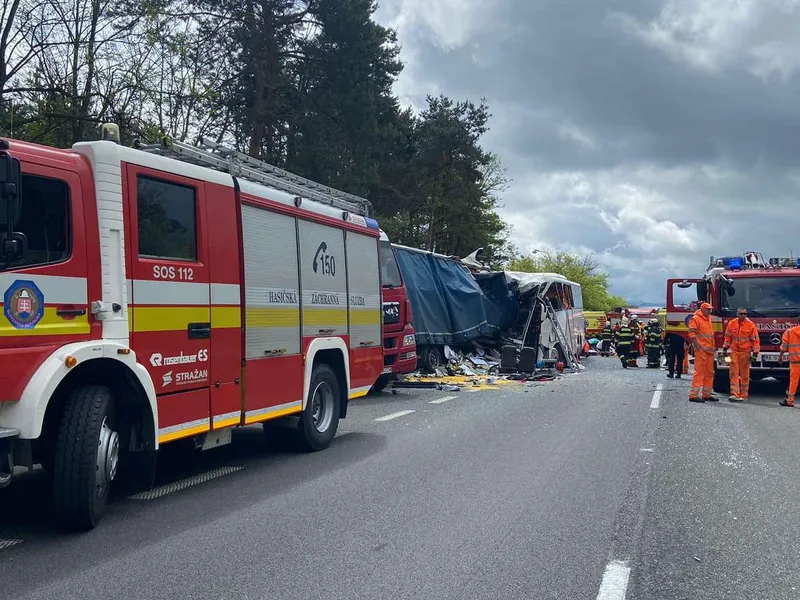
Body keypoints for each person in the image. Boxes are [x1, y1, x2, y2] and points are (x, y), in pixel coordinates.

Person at [722, 308, 760, 402]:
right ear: (737, 314)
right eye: (741, 314)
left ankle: (743, 395)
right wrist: (725, 348)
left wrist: (755, 353)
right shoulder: (732, 323)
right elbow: (728, 336)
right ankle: (735, 394)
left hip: (745, 353)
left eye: (745, 314)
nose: (743, 315)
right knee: (733, 373)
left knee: (745, 375)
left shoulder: (751, 325)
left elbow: (755, 340)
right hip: (734, 351)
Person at [688, 302, 717, 403]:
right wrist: (698, 347)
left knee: (709, 373)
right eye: (708, 309)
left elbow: (710, 335)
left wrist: (713, 347)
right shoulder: (696, 318)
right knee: (699, 372)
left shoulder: (708, 319)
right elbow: (692, 334)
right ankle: (693, 395)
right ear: (703, 309)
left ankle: (706, 394)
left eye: (710, 309)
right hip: (701, 350)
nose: (710, 311)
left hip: (709, 350)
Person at [778, 316, 800, 407]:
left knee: (793, 382)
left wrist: (780, 357)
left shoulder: (790, 332)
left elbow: (784, 347)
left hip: (795, 362)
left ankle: (789, 401)